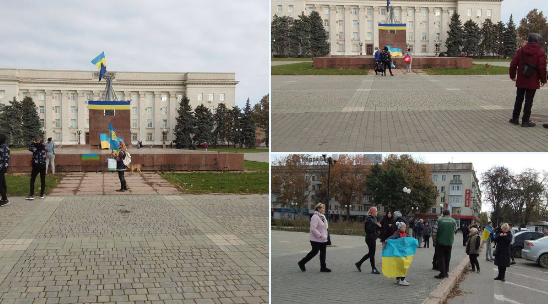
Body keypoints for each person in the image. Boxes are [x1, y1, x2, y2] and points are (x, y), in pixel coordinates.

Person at [509, 33, 547, 127]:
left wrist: (512, 76)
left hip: (521, 79)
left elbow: (513, 64)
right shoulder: (540, 52)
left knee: (519, 99)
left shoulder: (521, 51)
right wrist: (543, 80)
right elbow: (542, 68)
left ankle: (515, 118)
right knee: (529, 100)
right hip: (532, 80)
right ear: (537, 40)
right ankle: (525, 120)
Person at [298, 203, 331, 272]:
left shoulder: (322, 217)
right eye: (322, 208)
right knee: (314, 252)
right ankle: (302, 262)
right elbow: (313, 228)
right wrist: (320, 235)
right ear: (318, 209)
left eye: (324, 208)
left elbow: (324, 227)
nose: (324, 210)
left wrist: (325, 236)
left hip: (323, 239)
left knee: (323, 253)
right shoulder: (315, 217)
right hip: (316, 239)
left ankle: (323, 267)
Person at [355, 207, 381, 274]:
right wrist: (376, 225)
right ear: (372, 212)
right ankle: (373, 268)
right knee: (372, 253)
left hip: (372, 238)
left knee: (371, 253)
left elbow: (375, 229)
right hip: (370, 238)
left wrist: (378, 226)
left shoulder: (373, 219)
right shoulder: (369, 219)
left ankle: (359, 263)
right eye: (376, 211)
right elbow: (368, 230)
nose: (377, 212)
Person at [434, 209, 457, 279]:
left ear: (443, 214)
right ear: (449, 214)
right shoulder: (453, 221)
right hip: (449, 242)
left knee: (441, 257)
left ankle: (442, 273)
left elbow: (434, 231)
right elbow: (455, 230)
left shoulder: (439, 220)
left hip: (440, 242)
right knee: (447, 257)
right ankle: (446, 272)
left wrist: (434, 241)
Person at [26, 135, 47, 200]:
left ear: (34, 140)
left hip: (36, 165)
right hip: (43, 165)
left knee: (32, 180)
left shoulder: (33, 147)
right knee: (43, 180)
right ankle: (41, 194)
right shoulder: (43, 146)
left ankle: (32, 195)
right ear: (40, 140)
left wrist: (33, 143)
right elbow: (47, 149)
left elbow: (29, 148)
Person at [0, 134, 10, 207]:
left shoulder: (2, 147)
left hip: (1, 167)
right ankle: (3, 198)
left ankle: (5, 199)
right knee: (2, 182)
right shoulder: (5, 147)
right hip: (3, 166)